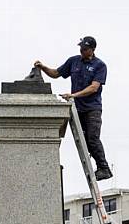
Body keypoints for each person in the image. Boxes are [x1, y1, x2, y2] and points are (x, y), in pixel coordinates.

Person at [35, 36, 112, 181]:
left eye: (85, 49)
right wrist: (43, 67)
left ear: (92, 50)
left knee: (93, 139)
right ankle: (97, 167)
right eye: (81, 48)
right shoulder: (74, 61)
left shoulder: (100, 65)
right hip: (78, 109)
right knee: (85, 141)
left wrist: (73, 95)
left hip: (92, 109)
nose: (82, 51)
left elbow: (94, 88)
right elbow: (56, 73)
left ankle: (104, 168)